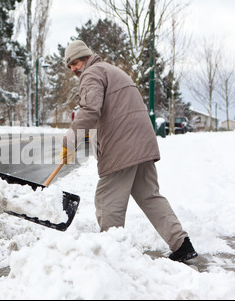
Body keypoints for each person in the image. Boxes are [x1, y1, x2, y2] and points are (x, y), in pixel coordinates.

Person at [60, 40, 198, 262]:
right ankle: (182, 245)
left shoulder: (92, 73)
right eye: (70, 66)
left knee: (107, 198)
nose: (74, 69)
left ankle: (110, 254)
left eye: (75, 63)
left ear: (86, 58)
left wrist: (69, 142)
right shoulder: (112, 71)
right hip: (142, 142)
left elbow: (89, 110)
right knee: (149, 196)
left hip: (122, 145)